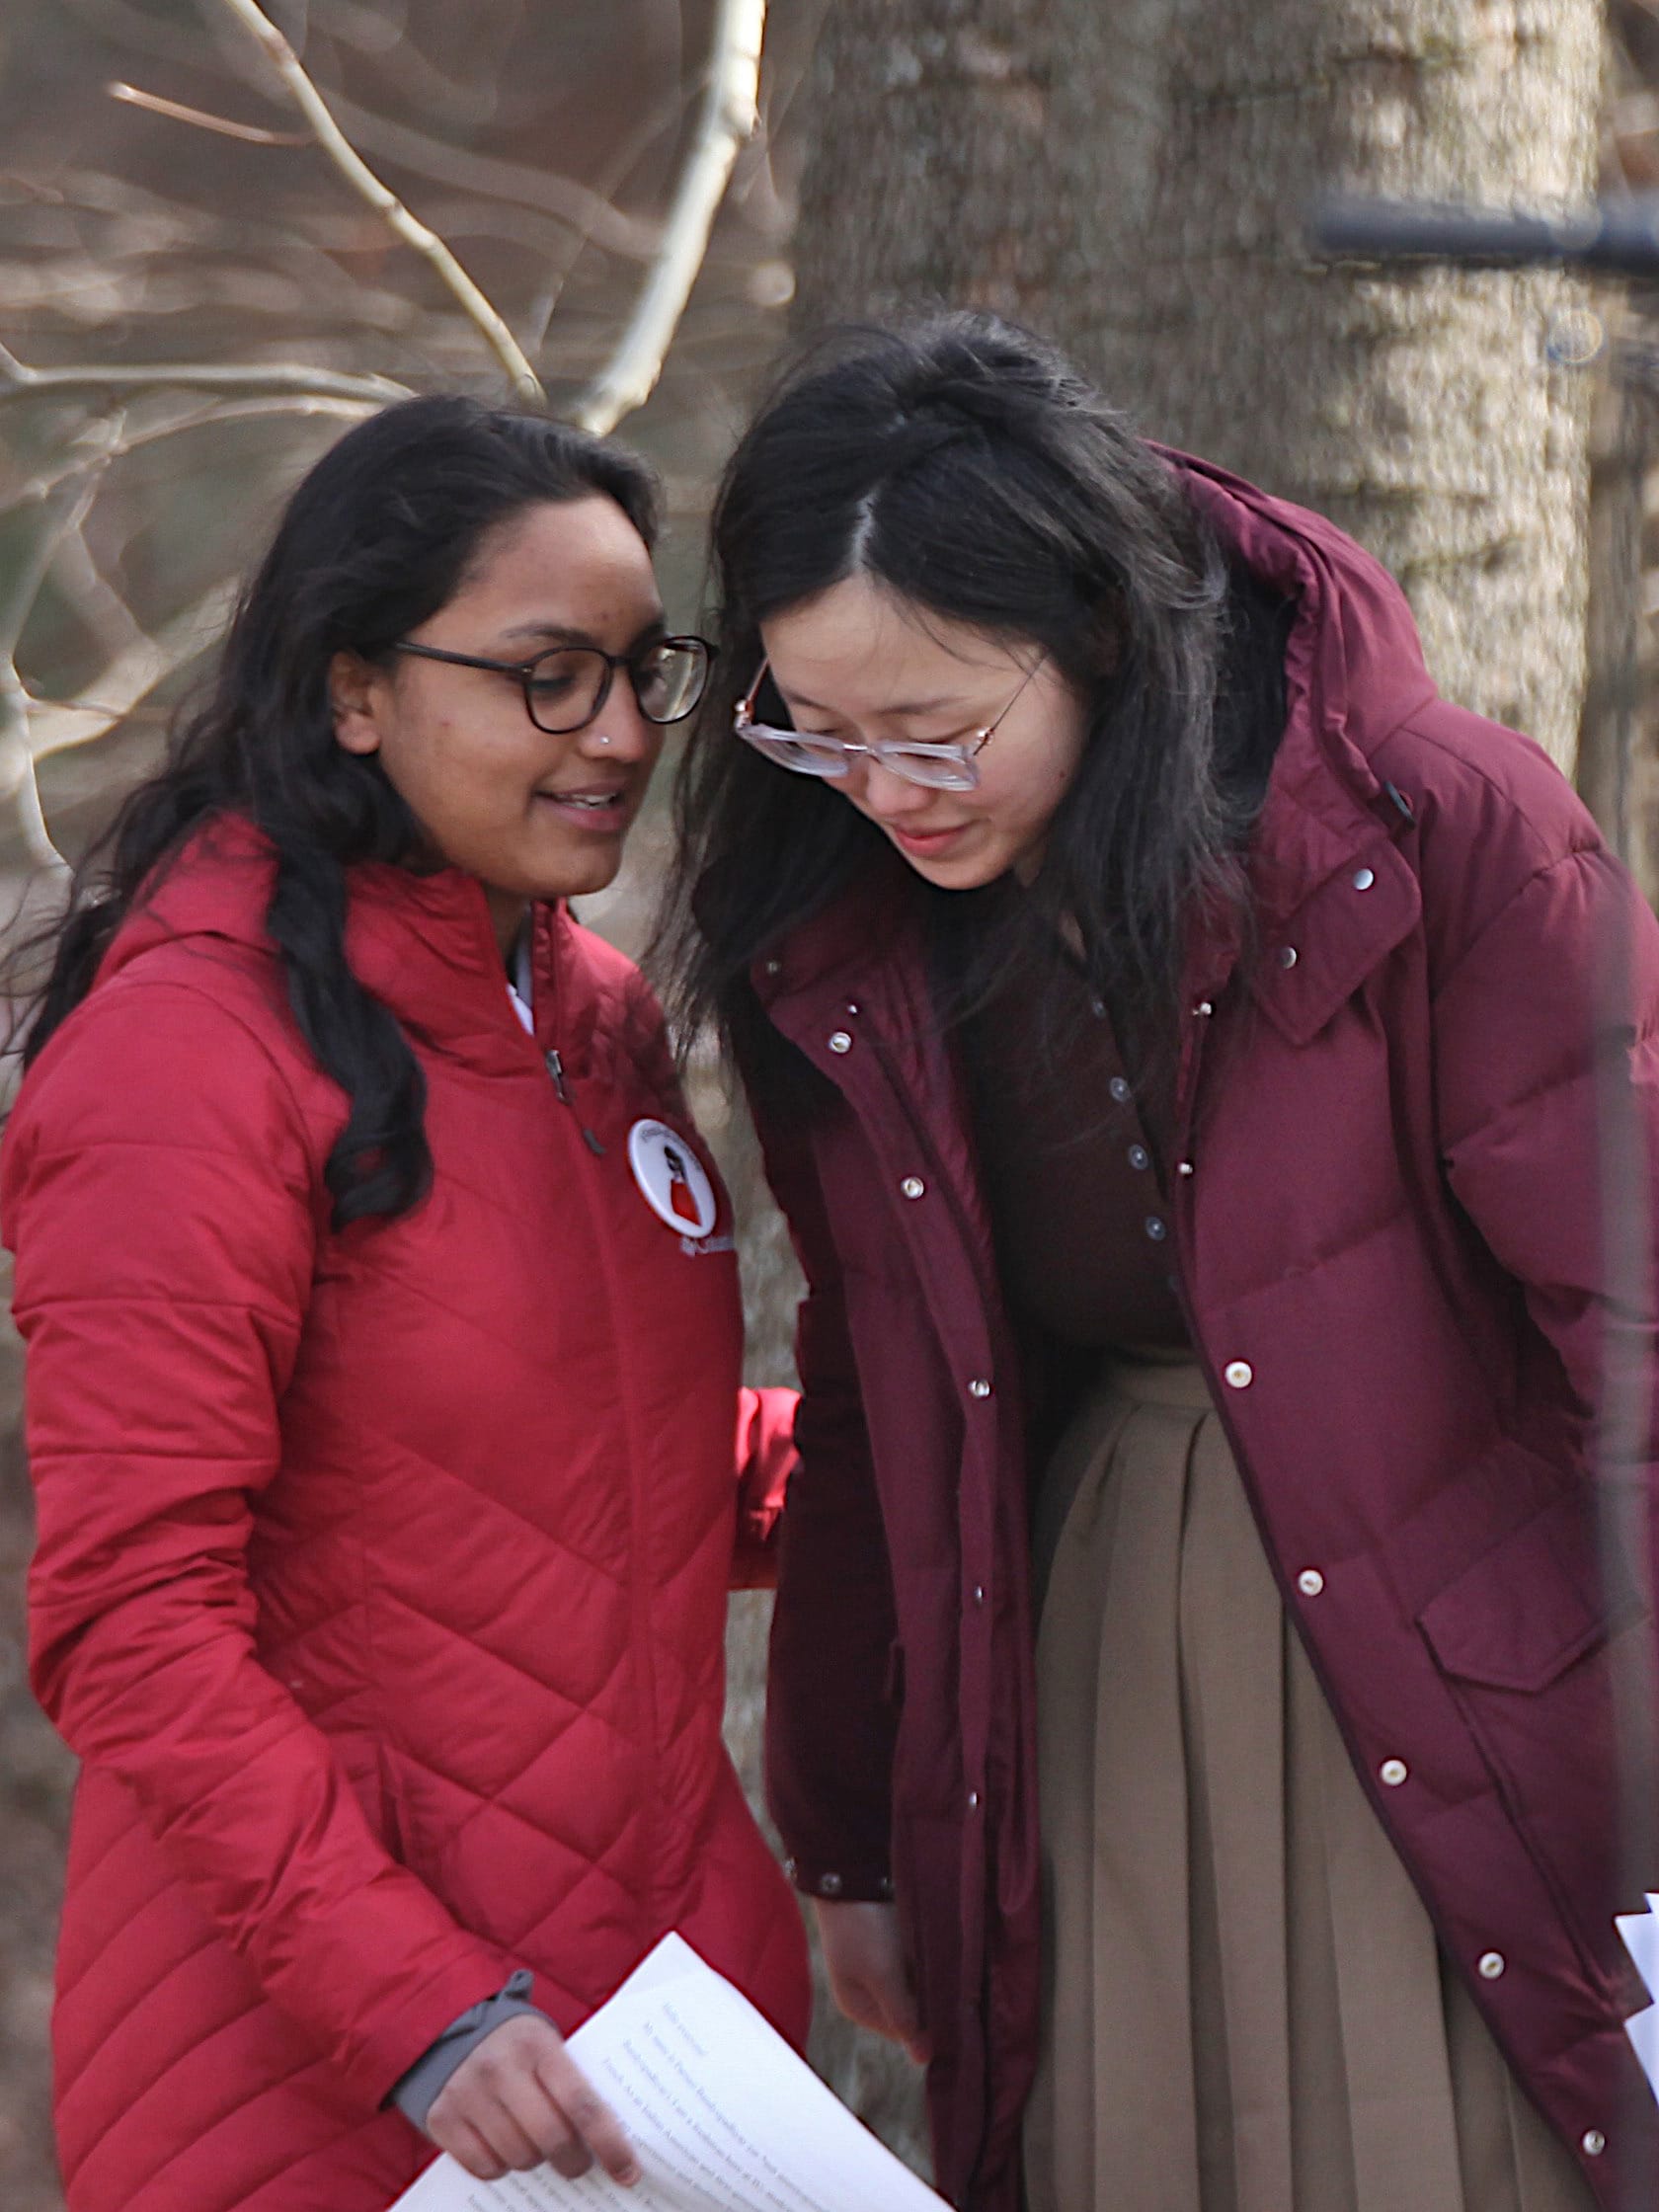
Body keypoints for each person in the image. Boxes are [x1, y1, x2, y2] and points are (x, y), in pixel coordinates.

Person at [660, 313, 1659, 2212]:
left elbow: (1642, 1320)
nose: (880, 786)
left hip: (1473, 1654)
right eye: (817, 732)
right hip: (1081, 1641)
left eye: (936, 729)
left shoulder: (1436, 821)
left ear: (1103, 636)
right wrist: (854, 1827)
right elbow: (879, 1391)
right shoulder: (843, 922)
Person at [1, 395, 810, 2212]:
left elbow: (581, 1480)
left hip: (649, 2047)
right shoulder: (188, 1056)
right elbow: (132, 1618)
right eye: (546, 677)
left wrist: (973, 1447)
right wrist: (418, 2009)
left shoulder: (591, 1011)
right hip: (334, 2083)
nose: (620, 734)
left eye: (641, 671)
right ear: (354, 689)